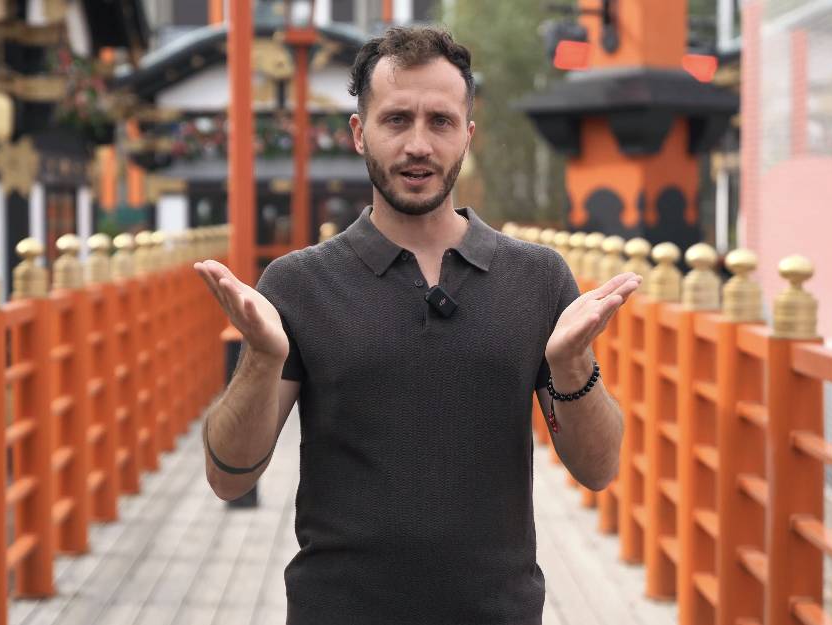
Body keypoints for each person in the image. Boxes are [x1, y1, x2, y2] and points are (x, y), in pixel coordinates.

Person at [194, 26, 640, 625]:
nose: (418, 144)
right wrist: (262, 358)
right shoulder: (299, 284)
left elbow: (599, 469)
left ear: (467, 136)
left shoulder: (537, 278)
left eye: (441, 122)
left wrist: (572, 364)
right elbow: (228, 477)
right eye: (397, 119)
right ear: (360, 132)